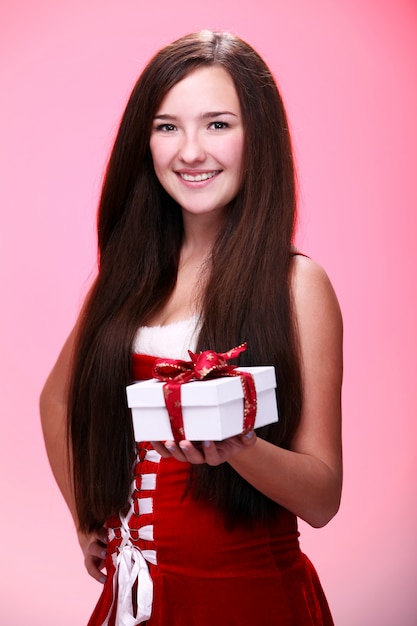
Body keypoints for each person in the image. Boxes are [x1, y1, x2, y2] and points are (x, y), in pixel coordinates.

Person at [40, 30, 343, 626]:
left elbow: (323, 497)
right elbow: (55, 400)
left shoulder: (296, 284)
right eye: (167, 126)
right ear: (144, 142)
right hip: (135, 600)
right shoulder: (124, 281)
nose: (191, 152)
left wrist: (240, 447)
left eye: (218, 125)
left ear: (258, 138)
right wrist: (87, 519)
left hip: (250, 600)